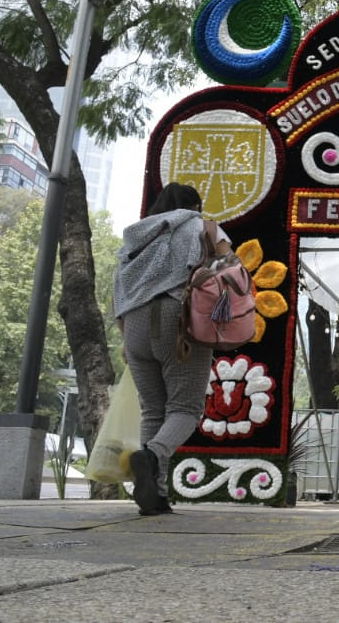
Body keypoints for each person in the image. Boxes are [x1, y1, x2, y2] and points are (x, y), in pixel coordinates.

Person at [113, 182, 232, 516]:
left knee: (153, 409)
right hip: (176, 317)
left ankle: (156, 495)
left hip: (133, 322)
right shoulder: (202, 226)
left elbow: (117, 283)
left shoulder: (136, 235)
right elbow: (231, 266)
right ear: (194, 205)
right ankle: (152, 455)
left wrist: (124, 334)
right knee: (185, 409)